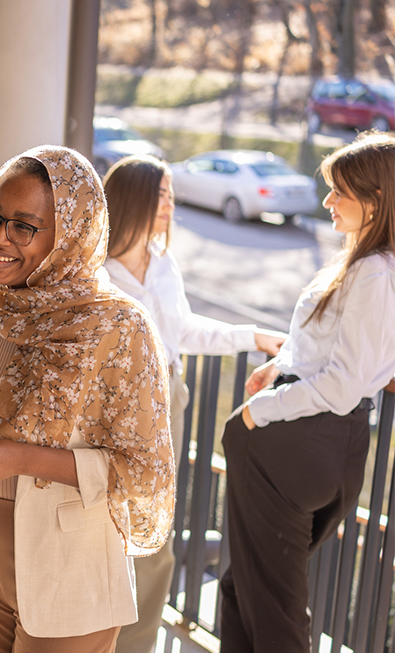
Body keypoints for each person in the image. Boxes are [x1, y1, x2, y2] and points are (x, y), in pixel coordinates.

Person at [0, 145, 176, 651]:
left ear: (69, 238)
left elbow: (146, 471)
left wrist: (15, 459)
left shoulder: (119, 327)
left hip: (69, 565)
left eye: (23, 226)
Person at [100, 154, 286, 653]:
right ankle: (98, 635)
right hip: (113, 420)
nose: (170, 205)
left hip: (169, 405)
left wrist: (255, 336)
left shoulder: (164, 262)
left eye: (171, 194)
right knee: (108, 525)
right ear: (132, 198)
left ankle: (135, 643)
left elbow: (183, 331)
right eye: (160, 194)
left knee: (154, 529)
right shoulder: (96, 271)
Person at [220, 133, 395, 652]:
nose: (326, 203)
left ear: (376, 199)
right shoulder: (370, 266)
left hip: (300, 442)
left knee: (273, 605)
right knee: (244, 586)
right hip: (330, 443)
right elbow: (345, 355)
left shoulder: (372, 272)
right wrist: (279, 367)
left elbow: (341, 385)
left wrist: (259, 411)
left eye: (339, 191)